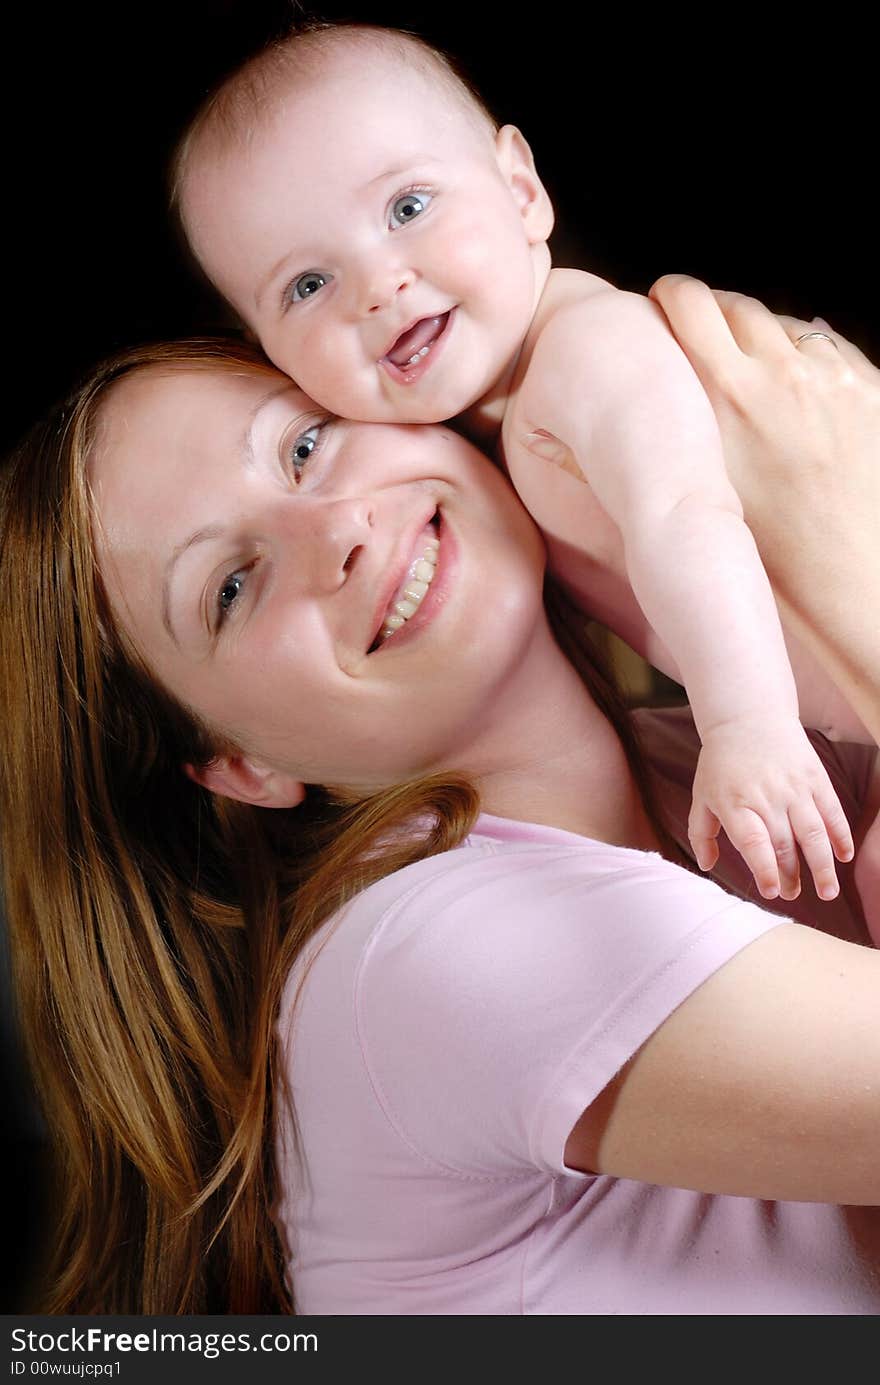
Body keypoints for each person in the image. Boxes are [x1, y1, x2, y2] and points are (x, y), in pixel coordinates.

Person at [2, 285, 880, 1316]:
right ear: (239, 765)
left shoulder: (714, 758)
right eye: (232, 585)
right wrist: (841, 545)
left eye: (304, 446)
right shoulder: (412, 958)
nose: (335, 532)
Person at [173, 19, 866, 908]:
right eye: (309, 284)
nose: (380, 285)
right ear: (270, 352)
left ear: (522, 188)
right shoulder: (493, 437)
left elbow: (686, 514)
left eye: (407, 208)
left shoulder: (584, 350)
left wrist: (748, 727)